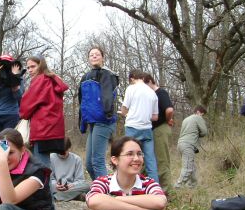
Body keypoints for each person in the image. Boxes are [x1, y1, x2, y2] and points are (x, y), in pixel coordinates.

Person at [19, 55, 68, 168]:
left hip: (42, 129)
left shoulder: (40, 80)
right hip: (54, 129)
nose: (30, 70)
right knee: (44, 165)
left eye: (33, 66)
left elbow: (25, 108)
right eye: (28, 67)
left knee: (42, 168)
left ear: (41, 65)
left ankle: (46, 186)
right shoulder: (52, 79)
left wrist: (23, 112)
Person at [78, 46, 120, 180]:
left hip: (104, 121)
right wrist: (82, 122)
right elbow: (82, 101)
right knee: (89, 164)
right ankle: (100, 187)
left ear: (102, 57)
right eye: (91, 55)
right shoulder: (85, 77)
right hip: (92, 122)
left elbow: (107, 95)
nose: (94, 56)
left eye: (97, 54)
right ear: (88, 59)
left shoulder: (108, 74)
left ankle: (107, 195)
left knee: (97, 160)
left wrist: (108, 113)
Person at [121, 70, 159, 183]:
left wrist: (127, 114)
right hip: (147, 129)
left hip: (132, 128)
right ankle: (155, 190)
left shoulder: (131, 88)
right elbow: (155, 117)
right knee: (150, 161)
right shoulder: (152, 93)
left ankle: (130, 188)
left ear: (132, 78)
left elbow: (124, 110)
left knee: (130, 160)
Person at [0, 55, 24, 159]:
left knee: (4, 146)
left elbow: (18, 97)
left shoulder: (19, 79)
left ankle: (4, 169)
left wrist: (15, 77)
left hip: (11, 116)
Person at [143, 74, 174, 191]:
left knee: (162, 160)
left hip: (160, 129)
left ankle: (166, 190)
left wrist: (167, 119)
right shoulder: (150, 95)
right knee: (150, 160)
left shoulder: (161, 93)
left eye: (145, 85)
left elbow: (169, 109)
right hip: (152, 130)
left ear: (150, 81)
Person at [174, 105, 208, 189]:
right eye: (202, 114)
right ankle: (177, 187)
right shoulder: (197, 117)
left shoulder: (186, 119)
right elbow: (204, 132)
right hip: (188, 144)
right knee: (188, 168)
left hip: (180, 144)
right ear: (198, 112)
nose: (202, 116)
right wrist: (198, 134)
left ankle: (192, 186)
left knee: (191, 166)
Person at [50, 138, 90, 202]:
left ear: (69, 148)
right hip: (56, 188)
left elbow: (80, 180)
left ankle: (58, 197)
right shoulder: (51, 157)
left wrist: (74, 185)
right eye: (60, 152)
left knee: (87, 186)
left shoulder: (77, 159)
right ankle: (75, 196)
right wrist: (56, 185)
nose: (62, 154)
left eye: (64, 152)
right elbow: (50, 179)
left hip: (72, 187)